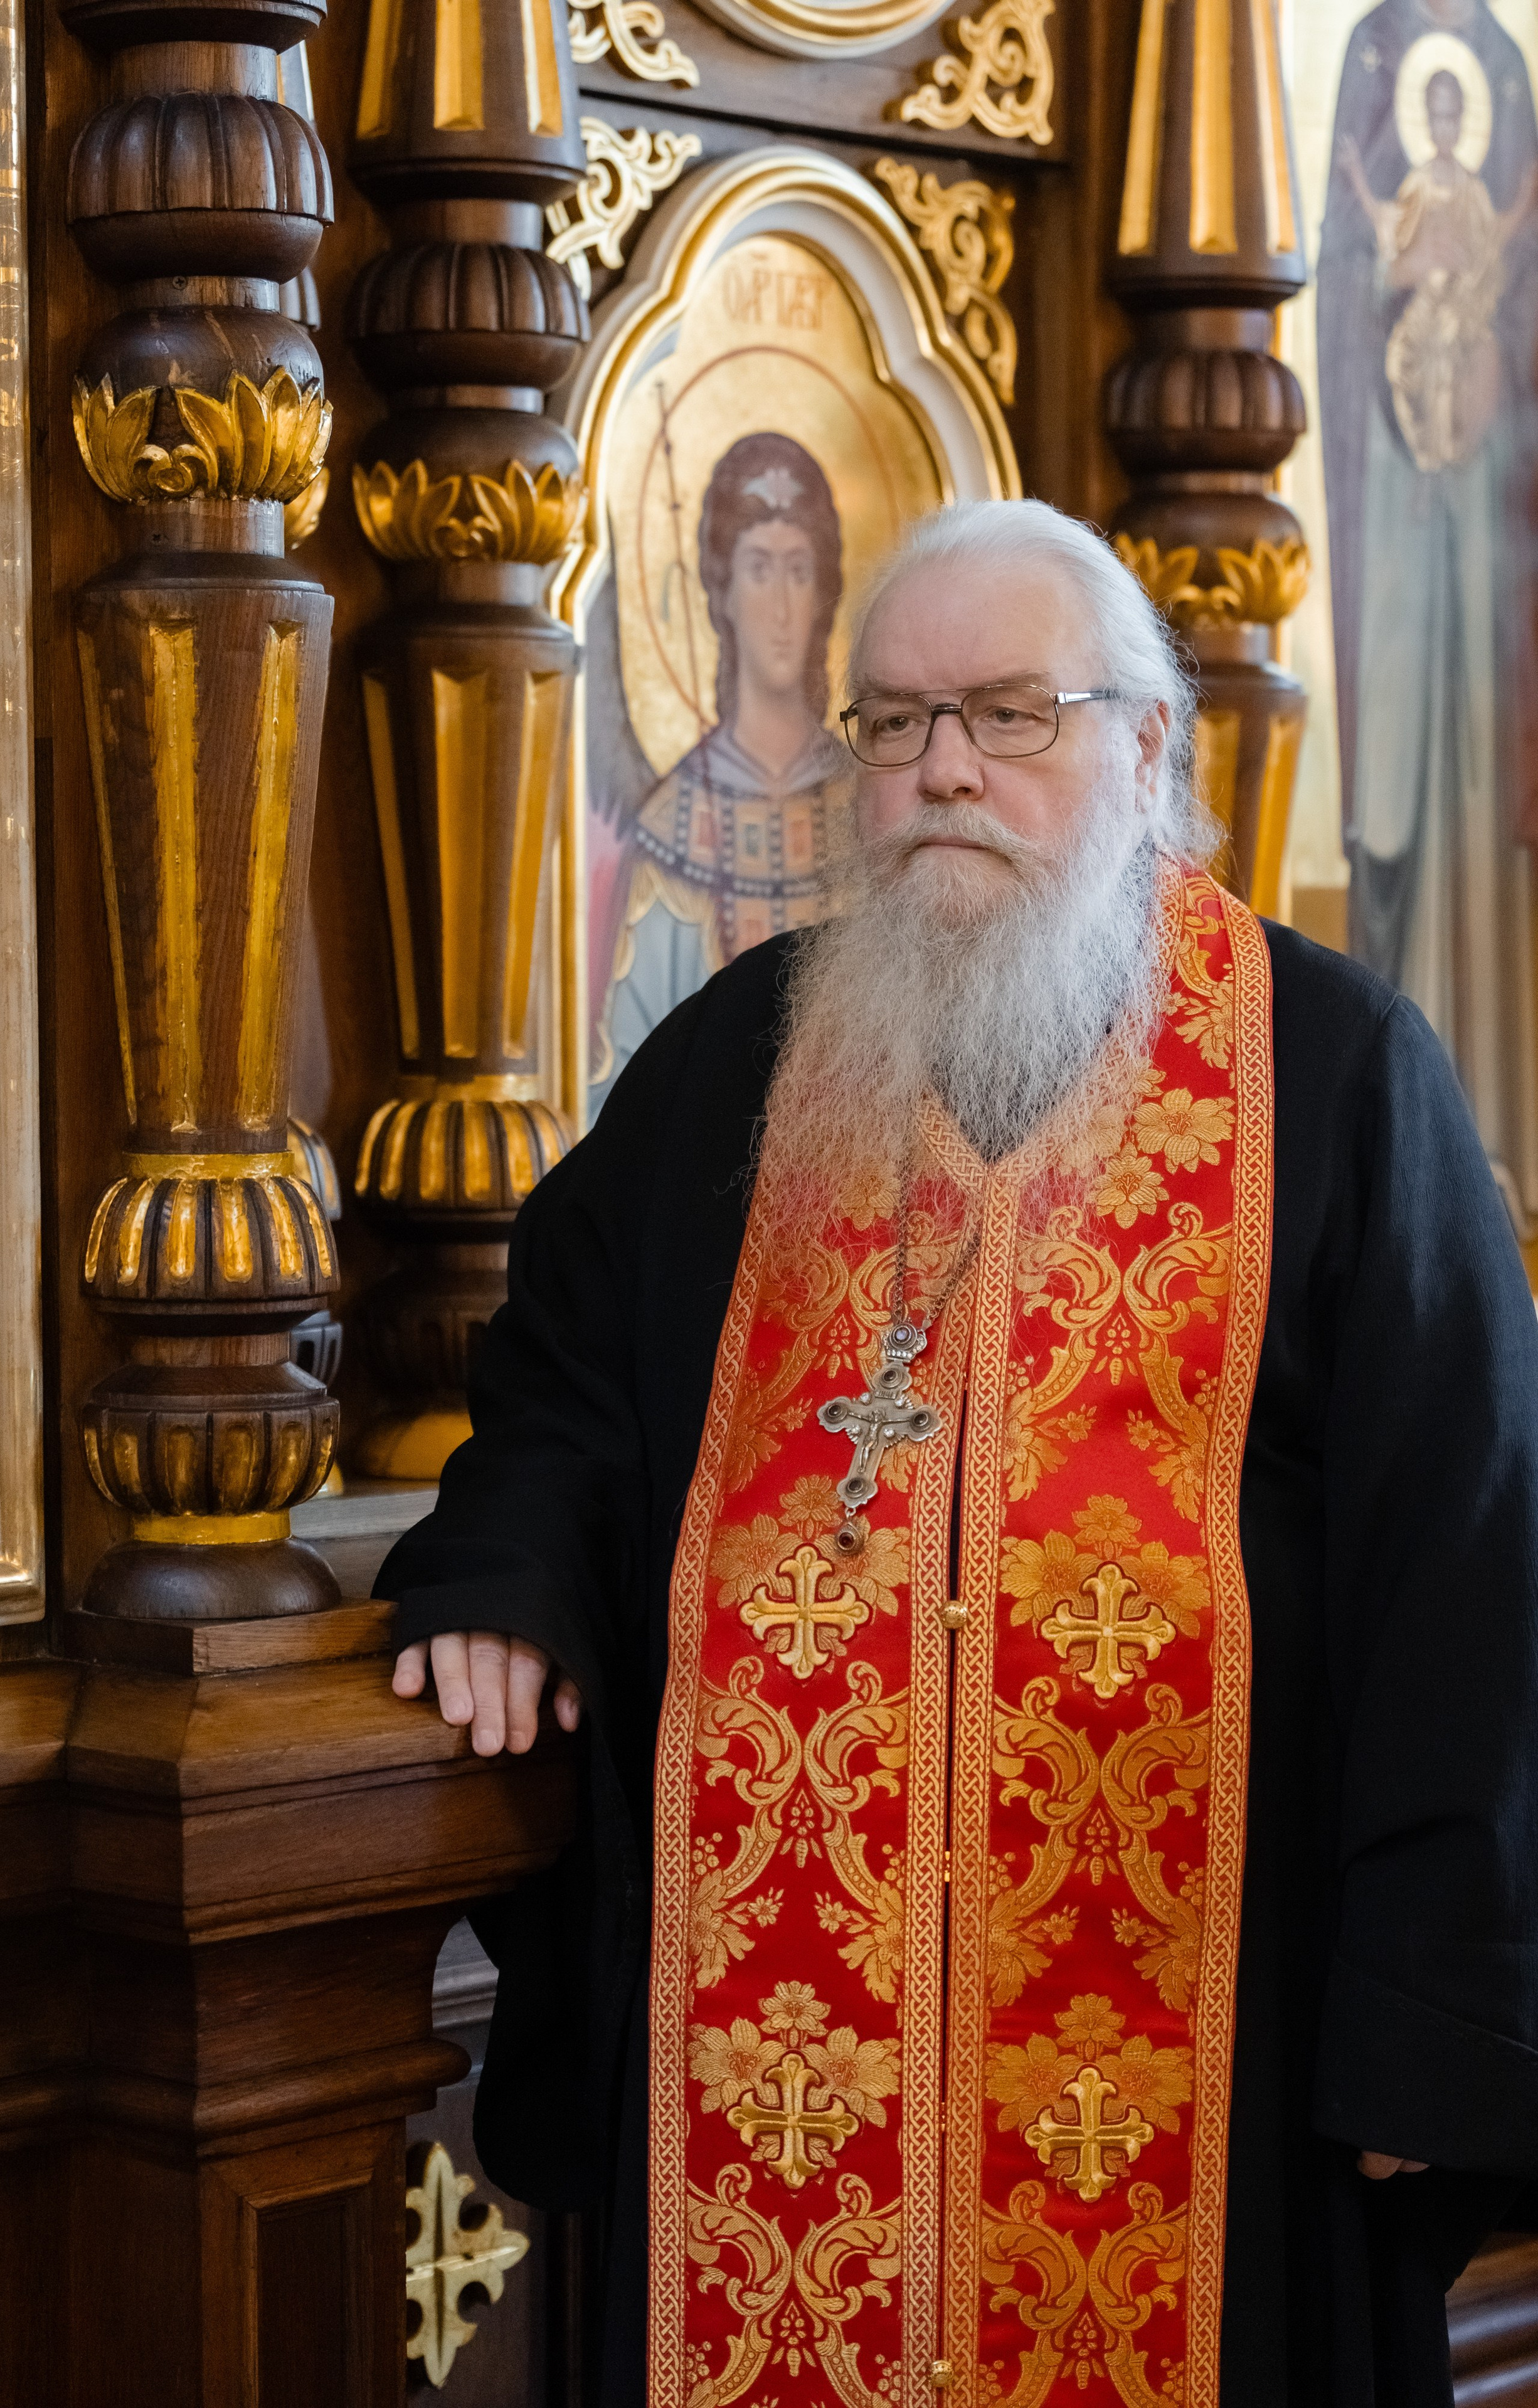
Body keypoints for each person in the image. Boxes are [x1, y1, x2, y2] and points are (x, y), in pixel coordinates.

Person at [383, 500, 1538, 2407]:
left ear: (1140, 745)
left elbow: (1471, 1567)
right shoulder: (731, 1075)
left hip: (1208, 2055)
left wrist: (1429, 2023)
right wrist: (504, 1577)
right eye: (894, 721)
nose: (940, 772)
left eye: (1006, 715)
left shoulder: (1330, 1074)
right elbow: (564, 1390)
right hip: (772, 2079)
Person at [1317, 1, 1538, 1231]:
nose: (1448, 113)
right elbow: (1358, 282)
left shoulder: (1503, 55)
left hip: (1479, 493)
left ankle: (1505, 1131)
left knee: (1470, 778)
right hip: (1396, 500)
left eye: (1459, 105)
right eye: (1433, 104)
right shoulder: (1373, 46)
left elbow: (1510, 272)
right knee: (1403, 783)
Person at [589, 430, 852, 1112]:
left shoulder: (871, 799)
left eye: (800, 570)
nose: (783, 608)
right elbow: (631, 1066)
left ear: (826, 591)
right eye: (759, 569)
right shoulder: (675, 817)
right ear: (721, 592)